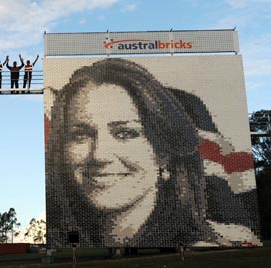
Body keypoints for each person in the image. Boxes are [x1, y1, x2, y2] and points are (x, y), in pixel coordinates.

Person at [46, 58, 261, 248]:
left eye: (125, 133)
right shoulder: (67, 234)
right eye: (80, 135)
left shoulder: (201, 245)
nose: (99, 155)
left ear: (163, 153)